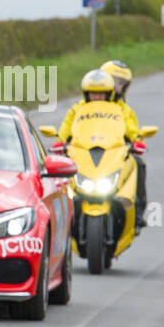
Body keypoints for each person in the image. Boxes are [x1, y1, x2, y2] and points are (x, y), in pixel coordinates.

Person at [58, 67, 148, 228]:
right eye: (93, 94)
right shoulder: (76, 109)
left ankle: (138, 213)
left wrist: (137, 140)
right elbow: (66, 128)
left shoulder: (121, 109)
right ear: (86, 94)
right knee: (58, 168)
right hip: (83, 152)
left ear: (109, 94)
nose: (97, 97)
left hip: (112, 153)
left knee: (137, 163)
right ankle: (60, 217)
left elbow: (132, 128)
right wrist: (60, 141)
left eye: (101, 94)